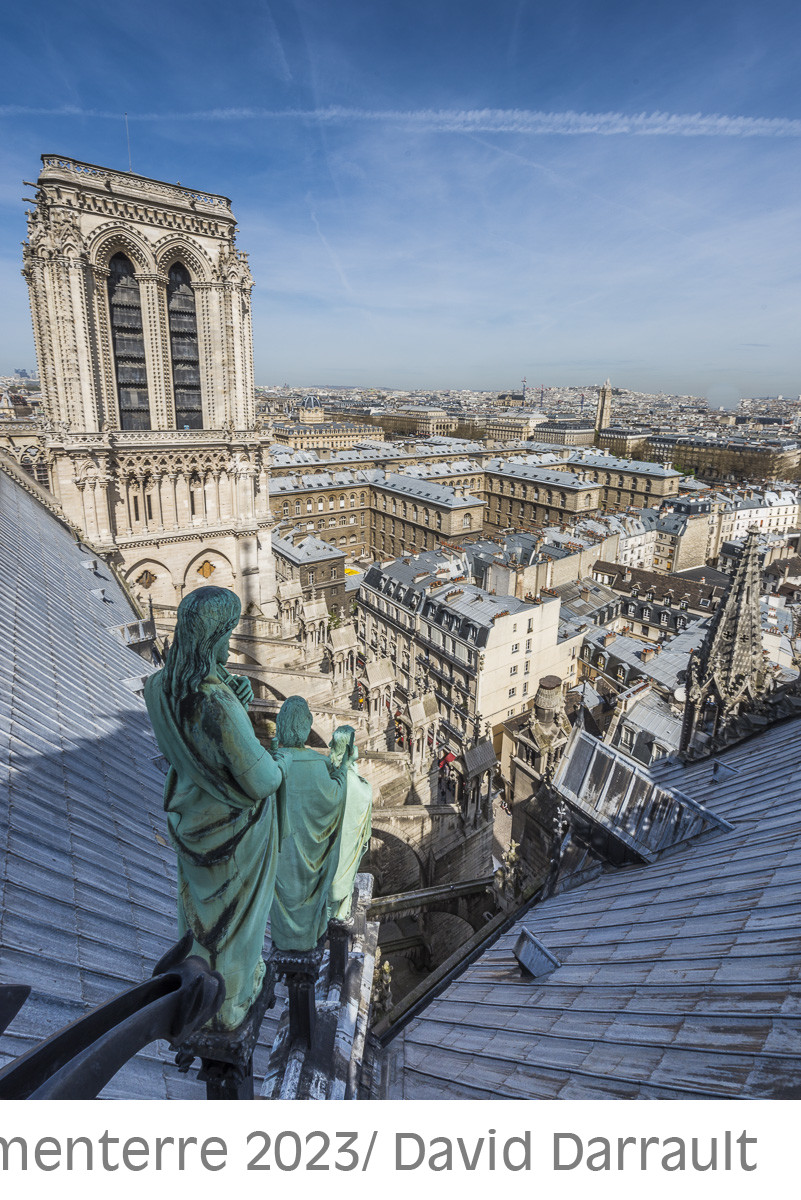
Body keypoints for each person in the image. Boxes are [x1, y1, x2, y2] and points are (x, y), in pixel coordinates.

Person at [144, 586, 283, 1031]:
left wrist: (236, 701)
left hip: (191, 823)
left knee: (200, 916)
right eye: (226, 634)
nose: (230, 644)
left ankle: (199, 978)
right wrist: (273, 751)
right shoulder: (216, 704)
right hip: (233, 832)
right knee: (235, 923)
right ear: (212, 639)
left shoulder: (156, 687)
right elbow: (261, 779)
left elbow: (192, 749)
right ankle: (230, 999)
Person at [270, 697, 348, 952]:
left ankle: (285, 940)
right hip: (311, 868)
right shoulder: (319, 763)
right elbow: (335, 798)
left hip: (281, 860)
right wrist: (344, 770)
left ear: (282, 726)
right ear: (306, 727)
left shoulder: (271, 764)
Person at [327, 725, 373, 922]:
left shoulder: (330, 770)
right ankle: (339, 913)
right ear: (347, 749)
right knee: (342, 871)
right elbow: (365, 795)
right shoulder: (350, 780)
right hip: (345, 837)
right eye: (353, 744)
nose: (356, 748)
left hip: (333, 836)